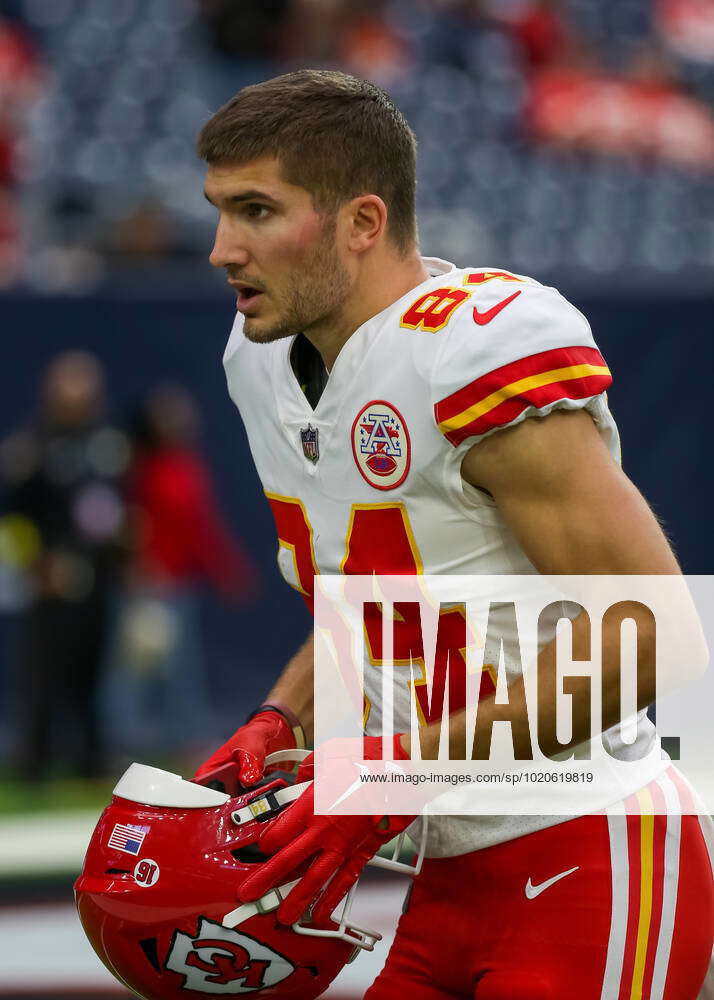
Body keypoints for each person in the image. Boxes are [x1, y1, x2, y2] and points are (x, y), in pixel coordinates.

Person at [193, 70, 713, 998]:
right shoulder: (261, 362)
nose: (222, 249)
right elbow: (391, 594)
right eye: (220, 212)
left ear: (362, 221)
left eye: (257, 211)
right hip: (446, 870)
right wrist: (284, 714)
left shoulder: (475, 346)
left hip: (589, 842)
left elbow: (655, 634)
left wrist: (392, 776)